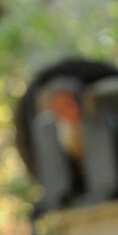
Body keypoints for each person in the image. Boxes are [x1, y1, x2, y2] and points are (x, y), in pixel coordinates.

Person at [31, 76, 86, 204]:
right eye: (63, 107)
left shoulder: (93, 125)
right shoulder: (51, 133)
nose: (71, 109)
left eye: (71, 102)